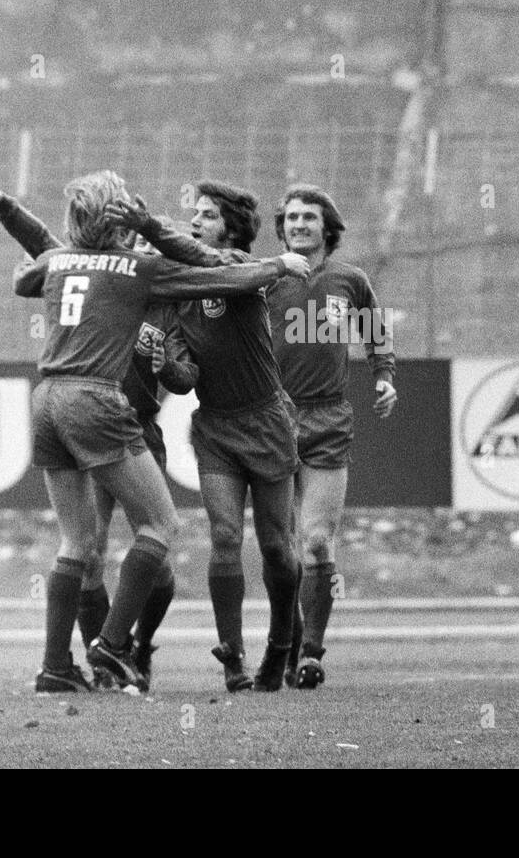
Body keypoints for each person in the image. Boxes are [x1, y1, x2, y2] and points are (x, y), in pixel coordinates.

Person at [0, 175, 309, 693]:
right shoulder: (139, 268)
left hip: (46, 399)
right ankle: (113, 644)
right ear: (118, 219)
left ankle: (55, 667)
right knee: (162, 527)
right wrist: (278, 265)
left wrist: (6, 206)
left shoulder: (62, 261)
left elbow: (40, 252)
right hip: (95, 402)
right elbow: (222, 281)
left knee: (76, 541)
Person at [0, 190, 206, 691]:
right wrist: (7, 209)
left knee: (154, 563)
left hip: (135, 426)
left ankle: (131, 647)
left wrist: (162, 359)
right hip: (95, 415)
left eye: (146, 239)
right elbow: (49, 247)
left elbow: (186, 377)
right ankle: (99, 656)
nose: (137, 247)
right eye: (128, 234)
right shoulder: (105, 273)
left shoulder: (168, 303)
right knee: (95, 548)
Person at [127, 182, 305, 693]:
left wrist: (149, 225)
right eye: (195, 213)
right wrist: (167, 365)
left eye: (207, 214)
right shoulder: (183, 290)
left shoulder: (234, 267)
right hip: (216, 428)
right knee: (224, 536)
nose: (197, 219)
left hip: (267, 421)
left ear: (230, 227)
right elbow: (184, 379)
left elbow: (212, 261)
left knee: (276, 546)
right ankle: (233, 658)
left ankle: (281, 645)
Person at [267, 184, 397, 688]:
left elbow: (375, 333)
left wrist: (384, 376)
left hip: (327, 422)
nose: (299, 224)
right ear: (282, 227)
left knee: (317, 541)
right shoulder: (265, 278)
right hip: (271, 422)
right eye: (292, 217)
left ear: (327, 228)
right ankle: (285, 643)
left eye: (309, 218)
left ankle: (311, 653)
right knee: (281, 549)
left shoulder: (350, 280)